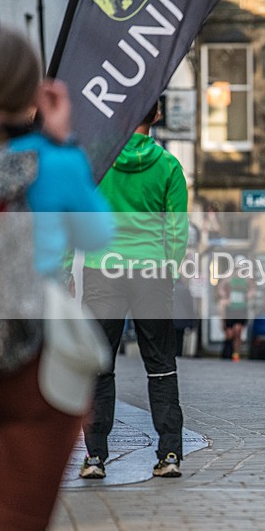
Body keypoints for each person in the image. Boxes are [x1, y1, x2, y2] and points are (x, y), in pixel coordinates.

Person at [0, 25, 113, 531]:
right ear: (35, 92)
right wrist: (64, 141)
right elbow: (99, 235)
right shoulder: (55, 163)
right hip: (36, 367)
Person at [77, 100, 189, 479]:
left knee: (99, 364)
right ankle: (170, 453)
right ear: (156, 116)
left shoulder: (97, 161)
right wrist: (169, 270)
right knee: (160, 365)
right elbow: (176, 228)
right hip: (151, 271)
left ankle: (95, 457)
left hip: (102, 270)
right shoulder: (169, 165)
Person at [217, 255, 255, 362]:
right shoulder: (229, 278)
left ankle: (236, 353)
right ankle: (226, 352)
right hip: (231, 308)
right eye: (238, 268)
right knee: (229, 333)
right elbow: (220, 287)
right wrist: (224, 296)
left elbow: (253, 290)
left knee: (238, 331)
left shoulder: (247, 279)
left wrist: (249, 295)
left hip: (241, 308)